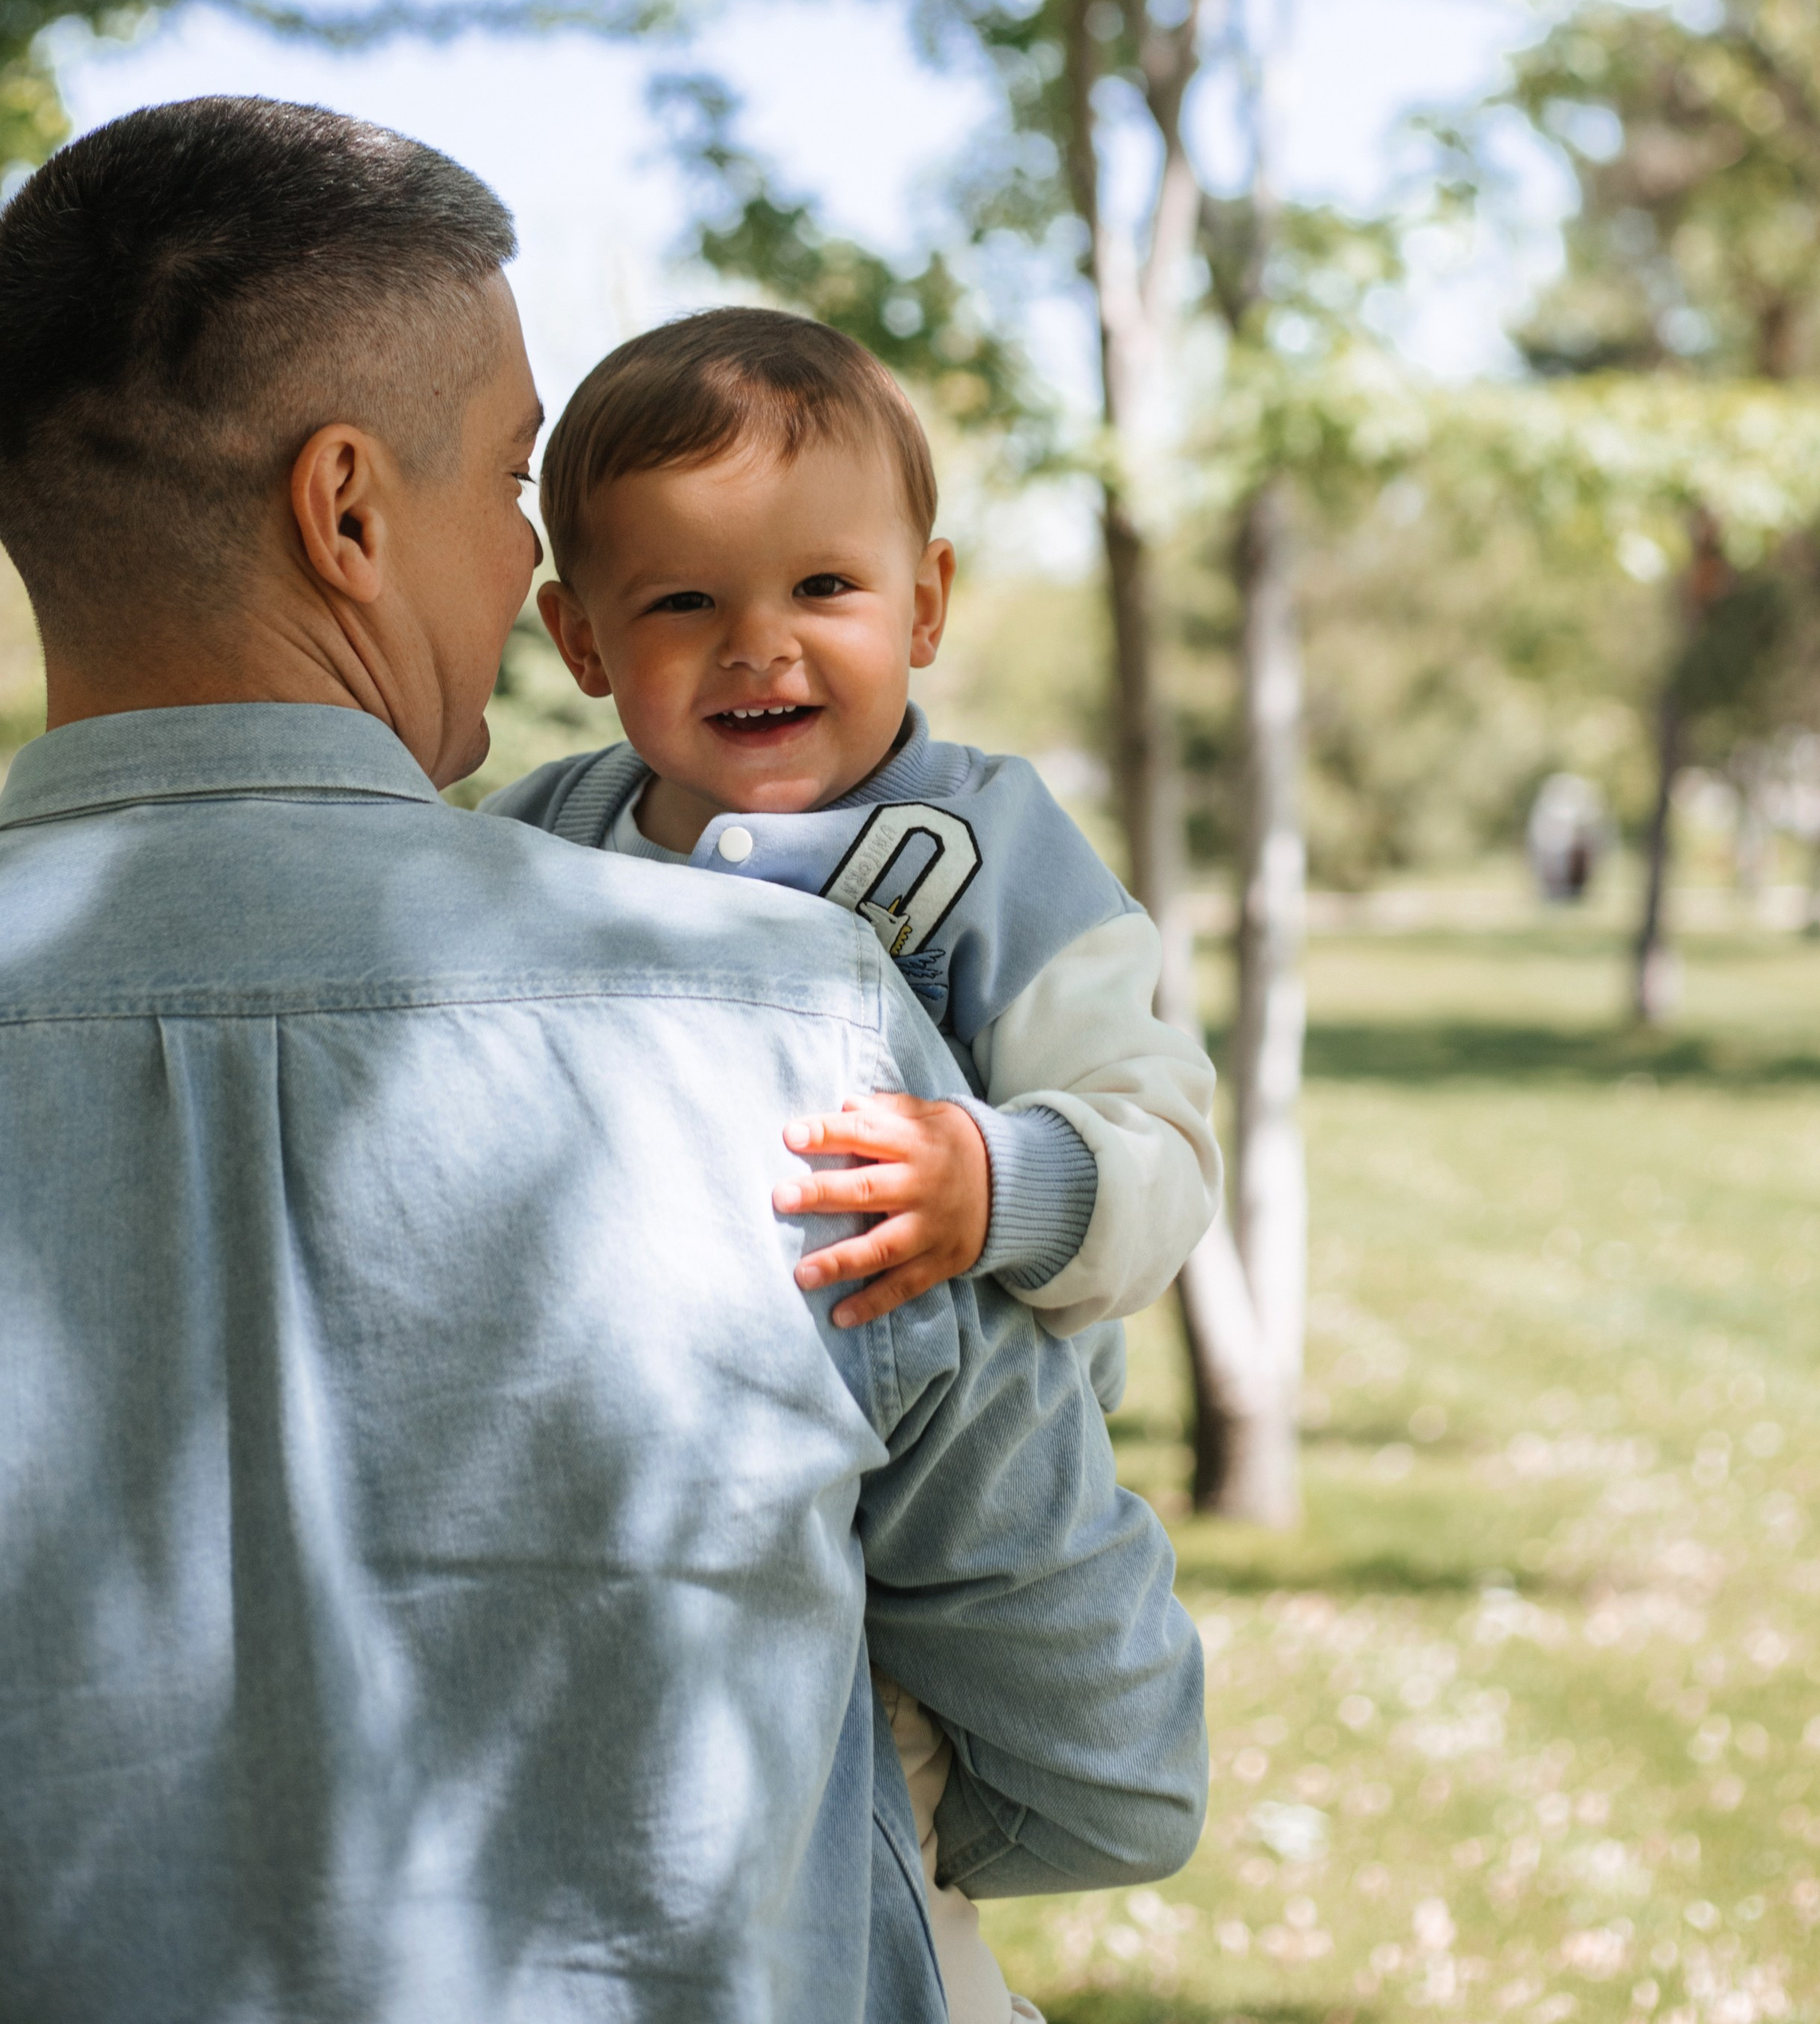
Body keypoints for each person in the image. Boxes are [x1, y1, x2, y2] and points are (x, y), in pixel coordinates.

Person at [0, 97, 1205, 2024]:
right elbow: (1111, 1765)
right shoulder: (782, 1030)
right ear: (346, 512)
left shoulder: (935, 885)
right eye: (508, 479)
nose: (518, 561)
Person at [486, 311, 1224, 2024]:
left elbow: (1158, 1128)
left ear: (926, 604)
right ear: (580, 636)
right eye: (682, 603)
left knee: (868, 1851)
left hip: (940, 1468)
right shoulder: (541, 846)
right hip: (647, 1458)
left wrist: (1000, 1179)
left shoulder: (987, 853)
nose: (761, 650)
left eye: (823, 589)